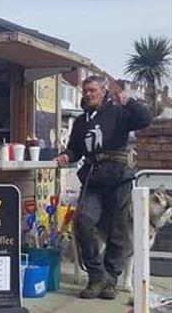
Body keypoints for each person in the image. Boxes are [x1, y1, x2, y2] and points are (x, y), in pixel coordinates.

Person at [56, 75, 151, 300]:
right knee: (82, 222)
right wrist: (65, 155)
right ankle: (97, 276)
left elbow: (145, 119)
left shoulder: (119, 113)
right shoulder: (80, 122)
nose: (88, 94)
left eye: (93, 90)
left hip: (118, 176)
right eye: (86, 90)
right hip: (93, 178)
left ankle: (111, 279)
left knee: (118, 231)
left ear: (103, 91)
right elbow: (75, 150)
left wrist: (129, 102)